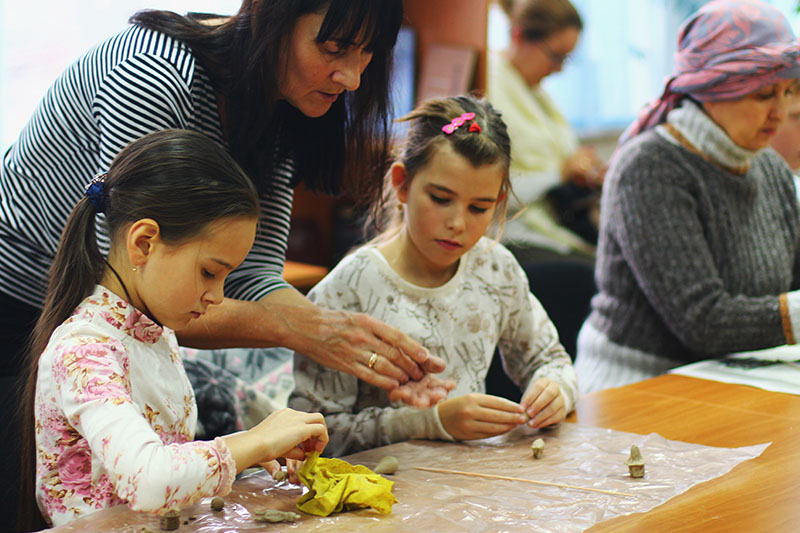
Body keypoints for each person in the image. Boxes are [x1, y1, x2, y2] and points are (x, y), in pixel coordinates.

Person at [1, 1, 447, 517]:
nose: (351, 77)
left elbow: (252, 273)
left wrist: (344, 339)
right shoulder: (153, 74)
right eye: (334, 47)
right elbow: (146, 282)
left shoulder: (284, 101)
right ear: (274, 18)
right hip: (15, 305)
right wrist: (300, 351)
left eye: (368, 53)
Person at [19, 130, 329, 530]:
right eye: (209, 272)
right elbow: (148, 480)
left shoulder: (154, 331)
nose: (217, 296)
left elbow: (162, 454)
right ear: (144, 243)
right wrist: (250, 443)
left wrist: (250, 452)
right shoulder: (84, 350)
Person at [289, 95, 579, 457]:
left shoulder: (495, 269)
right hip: (380, 486)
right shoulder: (348, 289)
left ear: (499, 200)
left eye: (479, 208)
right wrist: (430, 422)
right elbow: (311, 435)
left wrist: (554, 389)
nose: (457, 223)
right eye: (441, 199)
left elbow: (549, 359)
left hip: (471, 478)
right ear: (402, 184)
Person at [574, 0, 800, 394]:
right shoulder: (649, 167)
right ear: (712, 90)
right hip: (636, 384)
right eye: (764, 94)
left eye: (789, 91)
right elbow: (702, 321)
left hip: (736, 375)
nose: (780, 112)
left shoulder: (769, 166)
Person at [488, 0, 603, 262]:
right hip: (513, 233)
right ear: (518, 36)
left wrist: (584, 171)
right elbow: (493, 194)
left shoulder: (535, 93)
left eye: (566, 58)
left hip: (550, 225)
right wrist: (560, 173)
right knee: (597, 276)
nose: (559, 69)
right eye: (556, 56)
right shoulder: (490, 87)